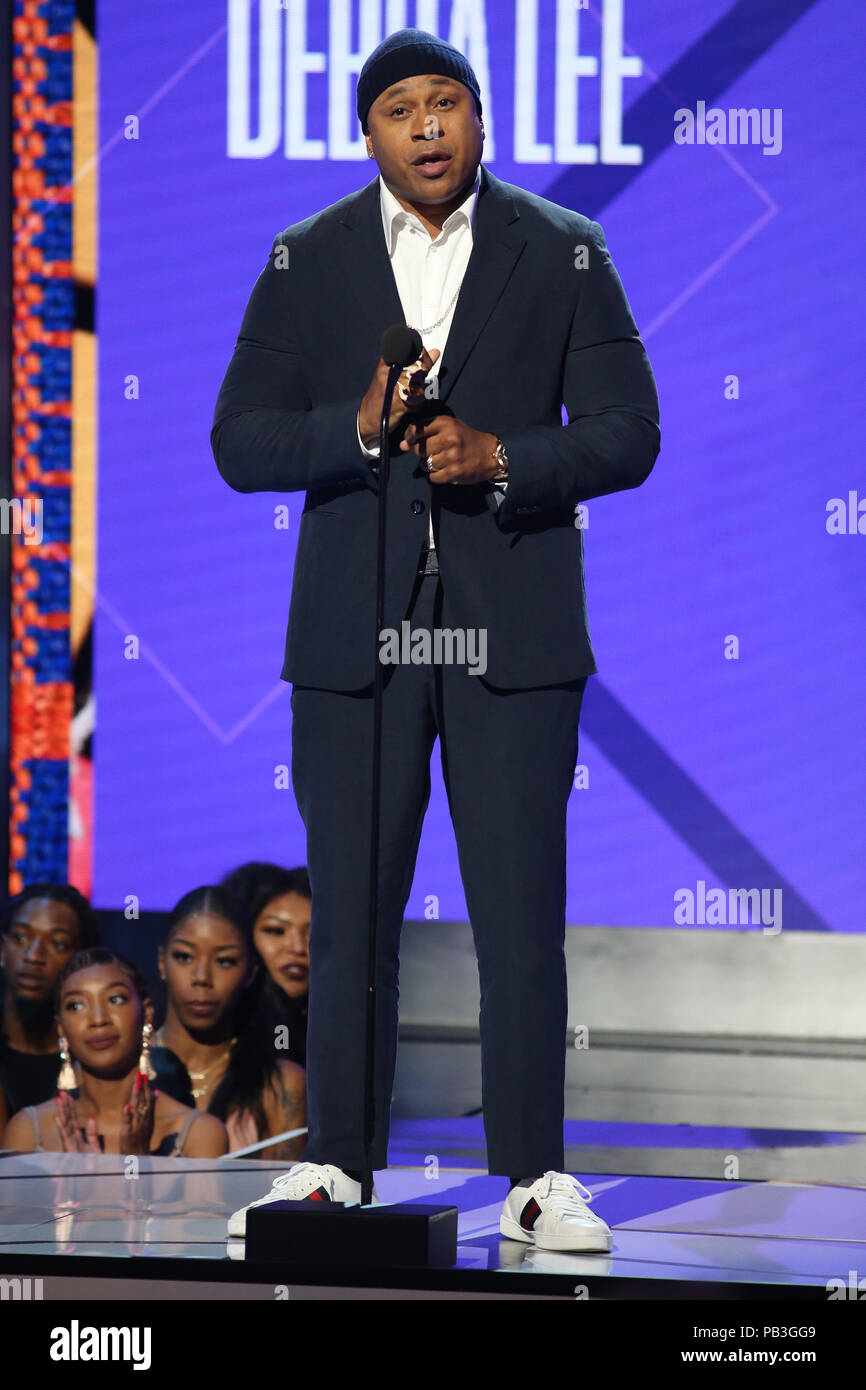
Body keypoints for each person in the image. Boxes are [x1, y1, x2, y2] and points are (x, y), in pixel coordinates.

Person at [212, 28, 659, 1250]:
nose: (424, 125)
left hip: (508, 632)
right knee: (348, 911)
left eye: (445, 102)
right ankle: (338, 1170)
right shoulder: (307, 260)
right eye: (399, 107)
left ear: (479, 119)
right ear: (367, 133)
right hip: (351, 643)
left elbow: (628, 430)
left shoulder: (562, 249)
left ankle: (531, 1176)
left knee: (521, 915)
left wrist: (506, 457)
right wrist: (351, 432)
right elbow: (237, 438)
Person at [2, 948, 227, 1156]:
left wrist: (140, 1165)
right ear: (61, 1027)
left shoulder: (199, 1134)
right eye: (76, 1005)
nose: (98, 1019)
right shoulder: (28, 1132)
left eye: (115, 999)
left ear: (147, 1013)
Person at [155, 886, 306, 1160]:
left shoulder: (280, 1085)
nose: (202, 976)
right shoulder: (121, 1071)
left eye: (225, 961)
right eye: (184, 957)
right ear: (162, 962)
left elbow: (288, 1200)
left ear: (250, 971)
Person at [0, 884, 101, 1116]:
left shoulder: (99, 1058)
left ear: (81, 959)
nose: (34, 956)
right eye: (21, 937)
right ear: (2, 949)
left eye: (57, 943)